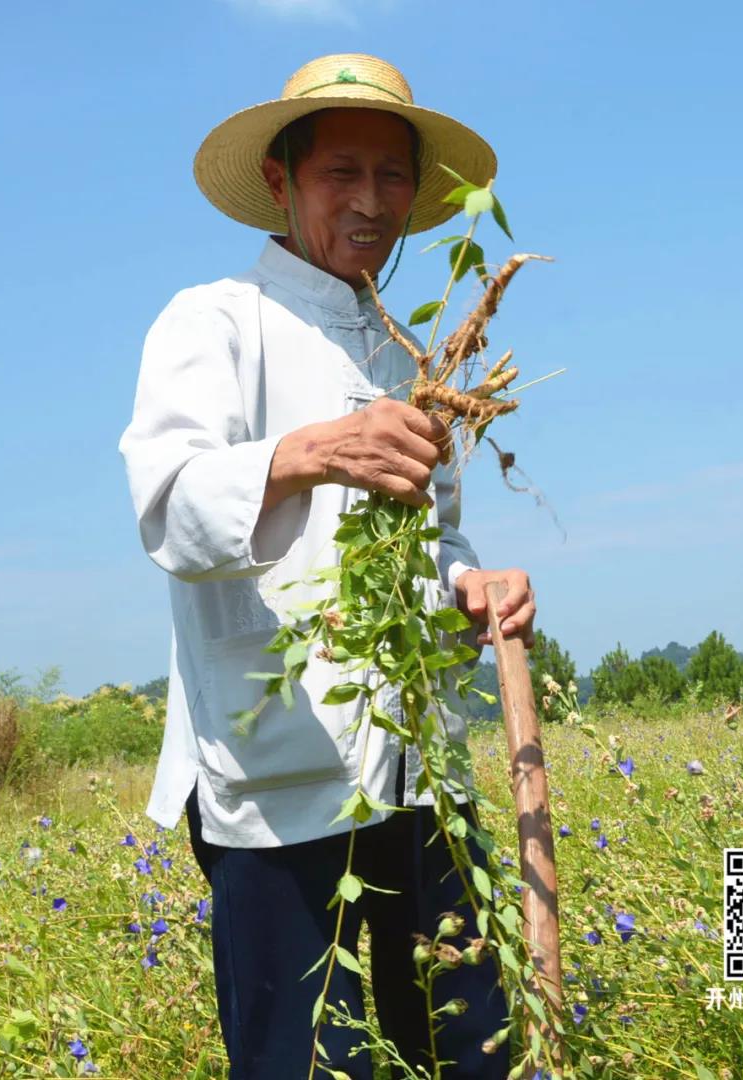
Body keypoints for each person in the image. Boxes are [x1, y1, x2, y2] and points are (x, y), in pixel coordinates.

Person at [118, 53, 537, 1079]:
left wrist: (472, 590)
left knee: (468, 1050)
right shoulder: (212, 321)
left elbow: (437, 538)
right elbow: (169, 508)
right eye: (339, 172)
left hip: (419, 777)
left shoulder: (407, 352)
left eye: (392, 177)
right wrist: (304, 453)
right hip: (278, 795)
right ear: (282, 180)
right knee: (310, 1063)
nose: (370, 201)